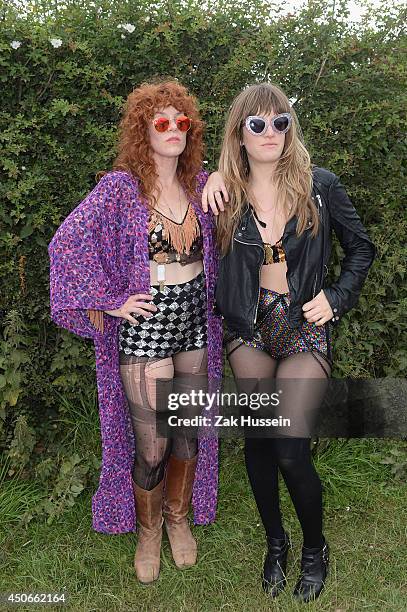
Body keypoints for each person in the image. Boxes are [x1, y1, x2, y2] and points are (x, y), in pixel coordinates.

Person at [201, 82, 375, 602]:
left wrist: (337, 298)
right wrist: (209, 175)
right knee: (259, 442)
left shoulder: (319, 185)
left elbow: (361, 249)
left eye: (281, 121)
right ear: (240, 133)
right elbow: (164, 200)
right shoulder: (222, 193)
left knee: (291, 449)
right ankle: (275, 542)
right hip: (249, 329)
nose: (271, 132)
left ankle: (314, 547)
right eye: (258, 124)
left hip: (302, 326)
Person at [48, 79, 223, 584]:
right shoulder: (120, 189)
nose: (173, 130)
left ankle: (177, 518)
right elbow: (67, 244)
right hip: (146, 328)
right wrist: (109, 299)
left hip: (194, 324)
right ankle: (147, 532)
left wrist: (216, 178)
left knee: (187, 431)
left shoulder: (198, 184)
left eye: (181, 123)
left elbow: (244, 178)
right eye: (161, 122)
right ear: (142, 130)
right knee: (151, 445)